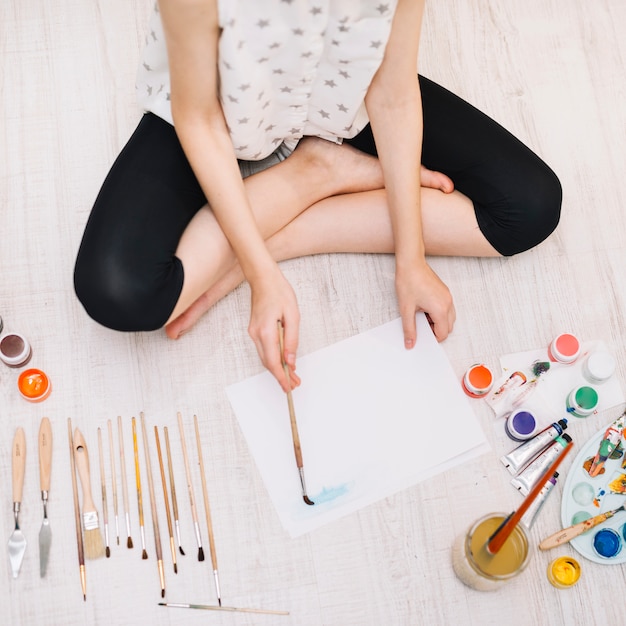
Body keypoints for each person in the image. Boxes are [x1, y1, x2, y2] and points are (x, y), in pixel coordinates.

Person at [74, 0, 562, 392]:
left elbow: (393, 93)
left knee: (530, 208)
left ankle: (304, 198)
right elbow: (199, 120)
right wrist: (265, 279)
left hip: (342, 100)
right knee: (118, 293)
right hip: (219, 112)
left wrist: (411, 260)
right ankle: (312, 174)